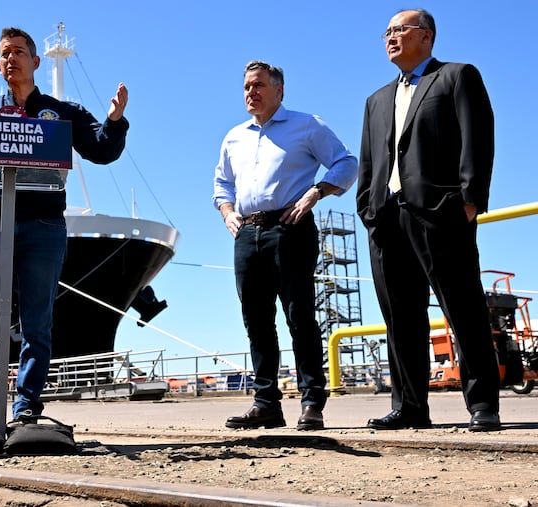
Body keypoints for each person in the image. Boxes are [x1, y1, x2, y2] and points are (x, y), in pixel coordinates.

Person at [0, 27, 129, 427]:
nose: (11, 59)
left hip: (43, 227)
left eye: (19, 52)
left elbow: (101, 149)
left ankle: (27, 411)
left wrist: (114, 121)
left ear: (36, 62)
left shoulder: (62, 112)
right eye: (4, 53)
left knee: (36, 323)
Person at [357, 9, 501, 432]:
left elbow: (478, 137)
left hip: (442, 214)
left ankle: (482, 406)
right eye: (386, 31)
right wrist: (369, 210)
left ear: (426, 35)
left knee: (464, 309)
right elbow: (370, 162)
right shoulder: (376, 100)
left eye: (398, 30)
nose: (389, 37)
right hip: (387, 219)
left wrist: (470, 201)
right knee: (400, 318)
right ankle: (410, 407)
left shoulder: (456, 76)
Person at [213, 61, 357, 431]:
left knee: (299, 316)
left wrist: (316, 192)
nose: (251, 92)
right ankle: (266, 405)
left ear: (279, 90)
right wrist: (228, 211)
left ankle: (312, 402)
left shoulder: (307, 125)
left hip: (290, 228)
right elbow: (221, 184)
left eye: (259, 85)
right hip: (246, 233)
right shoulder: (234, 137)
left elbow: (346, 162)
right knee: (256, 322)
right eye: (246, 86)